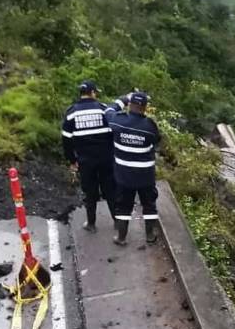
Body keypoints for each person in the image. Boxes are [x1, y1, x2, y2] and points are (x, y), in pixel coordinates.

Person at [105, 91, 162, 246]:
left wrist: (122, 99)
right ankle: (150, 235)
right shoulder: (149, 126)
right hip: (145, 175)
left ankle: (121, 237)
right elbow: (157, 140)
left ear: (130, 105)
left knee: (123, 206)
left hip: (123, 175)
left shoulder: (117, 121)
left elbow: (108, 111)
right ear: (144, 108)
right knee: (149, 204)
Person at [61, 80, 117, 232]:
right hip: (106, 159)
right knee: (110, 190)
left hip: (86, 161)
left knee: (90, 192)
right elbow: (113, 132)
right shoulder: (103, 109)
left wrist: (72, 161)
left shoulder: (71, 113)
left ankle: (91, 224)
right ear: (93, 93)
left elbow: (66, 140)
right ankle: (118, 221)